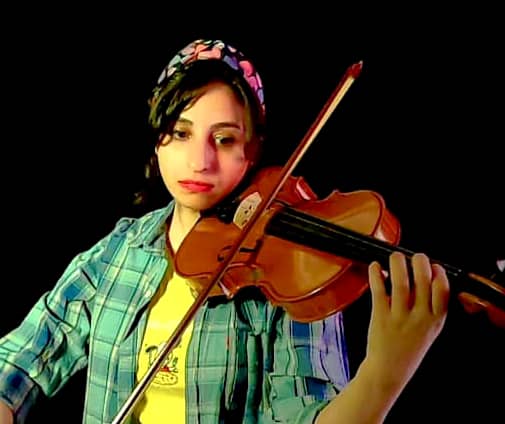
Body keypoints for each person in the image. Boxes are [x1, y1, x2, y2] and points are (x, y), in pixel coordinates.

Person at [0, 38, 450, 424]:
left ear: (253, 148)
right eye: (181, 133)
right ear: (157, 139)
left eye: (225, 139)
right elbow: (15, 365)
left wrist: (384, 373)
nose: (200, 161)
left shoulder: (288, 279)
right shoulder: (118, 252)